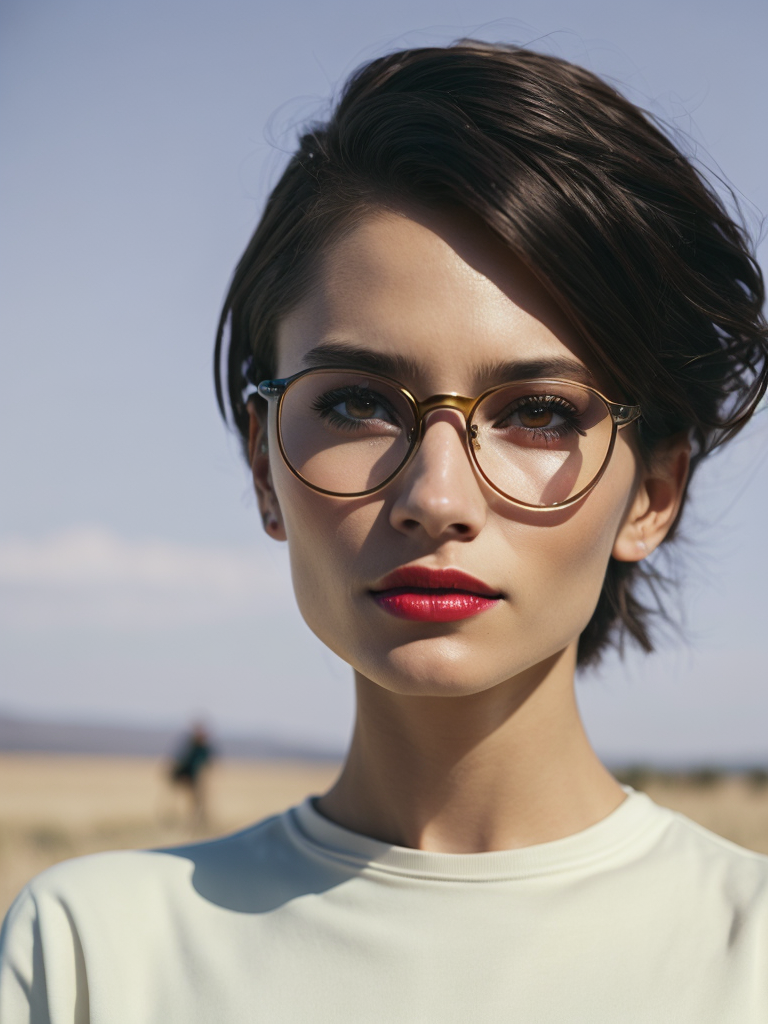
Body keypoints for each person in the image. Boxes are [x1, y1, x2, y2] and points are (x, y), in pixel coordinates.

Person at [2, 40, 767, 1023]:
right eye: (359, 401)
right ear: (262, 462)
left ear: (655, 489)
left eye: (539, 410)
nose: (435, 493)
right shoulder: (93, 957)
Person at [168, 723, 214, 827]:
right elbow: (180, 761)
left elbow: (207, 762)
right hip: (185, 777)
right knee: (188, 801)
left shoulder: (203, 748)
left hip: (195, 779)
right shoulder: (189, 746)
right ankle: (181, 821)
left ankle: (200, 822)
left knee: (198, 802)